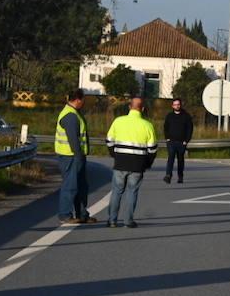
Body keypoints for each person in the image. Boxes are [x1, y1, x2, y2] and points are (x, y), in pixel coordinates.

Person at [105, 96, 158, 229]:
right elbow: (152, 149)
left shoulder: (118, 121)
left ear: (129, 107)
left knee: (117, 191)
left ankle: (112, 220)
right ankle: (128, 221)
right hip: (137, 165)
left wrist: (115, 155)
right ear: (143, 109)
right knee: (132, 192)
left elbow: (109, 140)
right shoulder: (148, 125)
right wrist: (147, 163)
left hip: (120, 162)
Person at [55, 89, 97, 226]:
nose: (84, 103)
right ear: (78, 99)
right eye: (83, 100)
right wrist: (79, 155)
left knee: (81, 186)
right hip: (70, 156)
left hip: (75, 156)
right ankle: (65, 215)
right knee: (70, 186)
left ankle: (82, 214)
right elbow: (73, 139)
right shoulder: (70, 116)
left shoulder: (74, 113)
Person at [162, 97, 194, 184]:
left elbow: (189, 129)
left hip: (181, 142)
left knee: (180, 159)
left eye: (178, 104)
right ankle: (168, 175)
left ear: (180, 105)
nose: (177, 106)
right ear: (172, 106)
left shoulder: (186, 116)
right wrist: (167, 138)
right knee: (171, 157)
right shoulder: (169, 116)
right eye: (175, 105)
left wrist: (186, 140)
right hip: (171, 141)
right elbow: (166, 127)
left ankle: (180, 176)